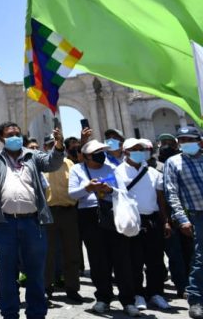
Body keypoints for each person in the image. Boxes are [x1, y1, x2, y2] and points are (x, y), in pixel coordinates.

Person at [0, 121, 64, 319]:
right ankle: (9, 313)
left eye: (17, 133)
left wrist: (59, 147)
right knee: (7, 272)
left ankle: (36, 313)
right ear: (1, 138)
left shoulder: (32, 156)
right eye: (10, 134)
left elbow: (52, 163)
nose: (15, 137)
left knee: (35, 271)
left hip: (33, 223)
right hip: (5, 224)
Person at [69, 140, 136, 315]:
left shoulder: (112, 168)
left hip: (112, 214)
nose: (101, 154)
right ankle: (103, 298)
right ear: (86, 155)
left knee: (121, 258)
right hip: (89, 216)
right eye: (96, 152)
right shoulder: (77, 169)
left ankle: (128, 300)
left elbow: (124, 192)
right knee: (98, 260)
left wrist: (110, 190)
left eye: (102, 151)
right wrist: (88, 188)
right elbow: (72, 194)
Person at [115, 138, 171, 311]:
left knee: (155, 260)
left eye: (141, 148)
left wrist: (166, 221)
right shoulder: (117, 172)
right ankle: (138, 294)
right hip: (132, 222)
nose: (140, 152)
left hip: (152, 220)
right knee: (134, 260)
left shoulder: (153, 172)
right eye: (135, 149)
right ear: (126, 152)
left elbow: (160, 198)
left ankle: (156, 293)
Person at [164, 126, 203, 319]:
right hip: (197, 214)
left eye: (190, 139)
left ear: (200, 141)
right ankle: (196, 299)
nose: (186, 143)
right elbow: (172, 193)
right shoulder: (173, 162)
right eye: (182, 140)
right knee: (200, 258)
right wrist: (182, 219)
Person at [42, 133, 83, 303]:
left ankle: (72, 288)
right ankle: (46, 288)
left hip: (69, 212)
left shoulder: (70, 164)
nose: (54, 146)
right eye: (51, 143)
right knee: (47, 253)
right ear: (46, 147)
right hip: (48, 213)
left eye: (57, 143)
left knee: (71, 252)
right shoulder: (40, 165)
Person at [158, 132, 194, 298]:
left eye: (170, 143)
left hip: (189, 215)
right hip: (168, 216)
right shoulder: (153, 166)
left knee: (191, 252)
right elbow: (163, 197)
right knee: (175, 253)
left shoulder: (187, 162)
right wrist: (165, 220)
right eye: (163, 143)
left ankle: (193, 283)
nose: (166, 146)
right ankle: (182, 285)